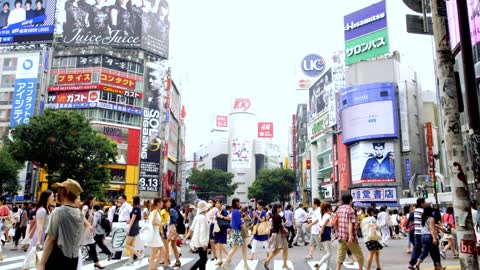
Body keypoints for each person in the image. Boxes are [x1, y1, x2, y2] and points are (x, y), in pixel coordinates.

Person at [38, 179, 84, 270]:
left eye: (60, 189)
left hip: (57, 258)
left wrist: (41, 264)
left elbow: (50, 239)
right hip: (73, 258)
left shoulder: (58, 212)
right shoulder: (79, 213)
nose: (57, 193)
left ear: (66, 191)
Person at [21, 191, 54, 269]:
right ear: (47, 197)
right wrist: (38, 241)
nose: (53, 198)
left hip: (45, 235)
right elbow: (40, 227)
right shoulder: (42, 210)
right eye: (52, 196)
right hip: (41, 235)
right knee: (35, 256)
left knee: (40, 257)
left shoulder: (47, 209)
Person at [335, 194, 364, 270]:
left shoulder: (339, 209)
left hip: (341, 236)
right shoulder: (350, 210)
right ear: (350, 200)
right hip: (349, 237)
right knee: (360, 256)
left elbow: (335, 221)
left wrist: (337, 233)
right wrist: (350, 236)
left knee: (340, 255)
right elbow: (350, 223)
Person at [222, 198, 249, 270]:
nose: (240, 203)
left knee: (243, 248)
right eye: (239, 202)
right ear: (236, 202)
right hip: (238, 232)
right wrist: (245, 223)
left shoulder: (234, 211)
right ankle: (225, 264)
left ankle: (245, 264)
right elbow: (239, 223)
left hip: (236, 231)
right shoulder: (236, 211)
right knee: (235, 249)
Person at [264, 203, 290, 270]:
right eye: (280, 208)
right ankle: (284, 264)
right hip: (279, 234)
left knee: (278, 250)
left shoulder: (274, 216)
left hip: (275, 234)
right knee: (284, 249)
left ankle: (268, 260)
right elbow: (279, 226)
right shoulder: (277, 216)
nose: (281, 209)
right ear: (277, 208)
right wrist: (284, 225)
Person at [189, 200, 211, 270]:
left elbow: (192, 228)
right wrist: (204, 243)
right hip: (201, 241)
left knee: (203, 259)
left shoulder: (197, 217)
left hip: (197, 240)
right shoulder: (203, 218)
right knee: (203, 259)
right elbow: (203, 231)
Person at [146, 198, 165, 270]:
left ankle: (154, 267)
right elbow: (153, 222)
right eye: (161, 202)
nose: (162, 204)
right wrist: (161, 225)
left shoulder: (157, 211)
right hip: (154, 234)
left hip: (156, 233)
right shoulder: (155, 212)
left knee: (160, 251)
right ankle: (151, 268)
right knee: (155, 252)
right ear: (158, 203)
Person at [124, 195, 143, 266]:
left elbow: (133, 219)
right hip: (135, 226)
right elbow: (132, 219)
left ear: (135, 200)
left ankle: (139, 255)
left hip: (133, 227)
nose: (131, 200)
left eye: (132, 199)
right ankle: (130, 260)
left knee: (127, 244)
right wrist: (129, 220)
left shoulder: (136, 208)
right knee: (131, 244)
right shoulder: (137, 208)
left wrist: (128, 229)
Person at [408, 198, 427, 269]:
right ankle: (437, 265)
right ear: (422, 203)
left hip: (416, 232)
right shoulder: (423, 211)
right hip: (423, 232)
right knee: (427, 249)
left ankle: (412, 263)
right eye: (425, 202)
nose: (425, 203)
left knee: (416, 248)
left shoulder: (415, 211)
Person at [112, 194, 132, 260]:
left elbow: (133, 213)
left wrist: (130, 219)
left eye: (120, 199)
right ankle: (118, 255)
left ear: (124, 199)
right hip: (120, 223)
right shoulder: (121, 206)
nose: (118, 200)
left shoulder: (128, 206)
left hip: (125, 224)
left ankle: (134, 254)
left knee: (126, 240)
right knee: (119, 238)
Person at [315, 202, 333, 270]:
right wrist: (320, 234)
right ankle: (319, 264)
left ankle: (327, 268)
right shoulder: (327, 216)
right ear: (328, 208)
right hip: (326, 233)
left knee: (328, 252)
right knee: (329, 253)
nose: (331, 209)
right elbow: (323, 226)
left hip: (323, 233)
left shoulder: (321, 216)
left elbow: (318, 225)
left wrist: (320, 234)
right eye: (330, 207)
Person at [214, 200, 230, 266]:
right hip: (217, 229)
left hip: (222, 229)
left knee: (220, 245)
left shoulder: (224, 211)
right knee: (219, 245)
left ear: (221, 204)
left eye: (217, 203)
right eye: (216, 203)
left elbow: (229, 218)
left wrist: (222, 217)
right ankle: (229, 256)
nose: (216, 204)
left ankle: (220, 260)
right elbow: (216, 221)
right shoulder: (217, 211)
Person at [168, 198, 182, 267]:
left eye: (168, 202)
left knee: (165, 244)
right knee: (173, 245)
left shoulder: (171, 210)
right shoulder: (175, 209)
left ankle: (164, 259)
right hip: (175, 229)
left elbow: (174, 220)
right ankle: (177, 261)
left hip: (172, 228)